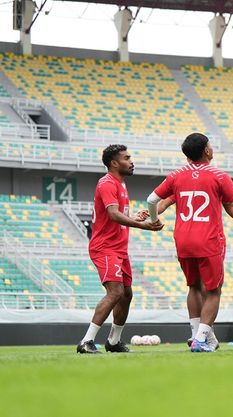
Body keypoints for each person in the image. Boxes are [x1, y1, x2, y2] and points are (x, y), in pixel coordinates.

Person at [147, 133, 233, 352]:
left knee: (193, 287)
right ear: (207, 151)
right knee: (213, 291)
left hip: (182, 239)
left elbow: (152, 200)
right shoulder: (218, 176)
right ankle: (201, 339)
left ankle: (198, 335)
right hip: (209, 240)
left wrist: (154, 220)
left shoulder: (177, 176)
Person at [76, 145, 164, 354]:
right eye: (127, 158)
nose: (131, 161)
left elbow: (116, 218)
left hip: (119, 249)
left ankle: (113, 342)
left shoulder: (120, 184)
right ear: (114, 163)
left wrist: (135, 219)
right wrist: (143, 226)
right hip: (105, 248)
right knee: (115, 292)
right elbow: (114, 215)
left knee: (126, 294)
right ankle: (86, 341)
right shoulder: (107, 183)